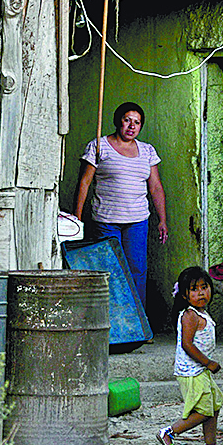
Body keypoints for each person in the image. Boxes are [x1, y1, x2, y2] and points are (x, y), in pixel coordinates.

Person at [74, 101, 168, 308]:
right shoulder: (99, 145)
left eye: (137, 122)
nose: (131, 126)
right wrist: (77, 219)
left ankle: (137, 326)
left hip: (137, 221)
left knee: (136, 271)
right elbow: (84, 182)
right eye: (127, 120)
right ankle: (112, 326)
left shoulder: (147, 151)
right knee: (110, 270)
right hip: (106, 220)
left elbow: (156, 188)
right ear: (118, 121)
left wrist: (162, 220)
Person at [156, 266, 223, 445]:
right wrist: (209, 363)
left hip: (199, 370)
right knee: (203, 410)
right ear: (185, 295)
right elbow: (187, 345)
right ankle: (169, 432)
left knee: (214, 405)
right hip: (191, 371)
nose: (201, 293)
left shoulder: (202, 313)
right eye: (194, 289)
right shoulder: (190, 315)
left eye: (204, 287)